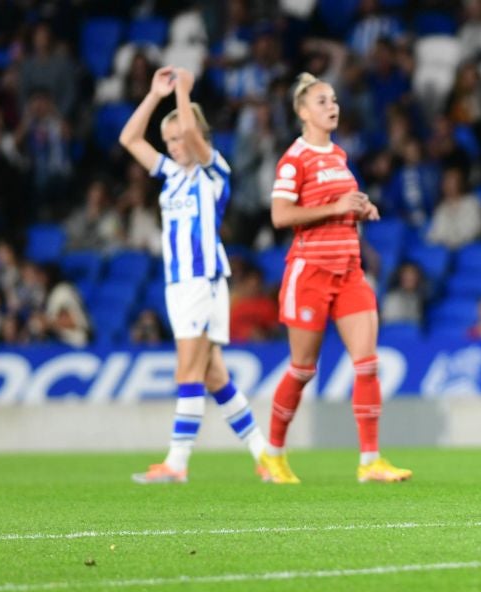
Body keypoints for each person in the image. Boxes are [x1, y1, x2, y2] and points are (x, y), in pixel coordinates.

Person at [118, 65, 273, 484]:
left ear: (198, 136)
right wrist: (154, 95)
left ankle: (177, 463)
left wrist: (183, 94)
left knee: (187, 371)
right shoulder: (170, 175)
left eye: (179, 138)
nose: (173, 146)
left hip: (202, 280)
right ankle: (265, 454)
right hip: (179, 283)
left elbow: (190, 134)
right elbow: (129, 139)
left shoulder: (213, 171)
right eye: (167, 142)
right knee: (213, 375)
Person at [265, 72, 412, 484]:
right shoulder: (294, 159)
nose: (332, 107)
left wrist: (357, 209)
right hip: (309, 273)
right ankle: (273, 454)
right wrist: (336, 208)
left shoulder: (338, 156)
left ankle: (370, 461)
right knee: (302, 369)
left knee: (367, 365)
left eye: (334, 100)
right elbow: (281, 216)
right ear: (302, 111)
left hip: (349, 272)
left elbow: (335, 204)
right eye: (322, 102)